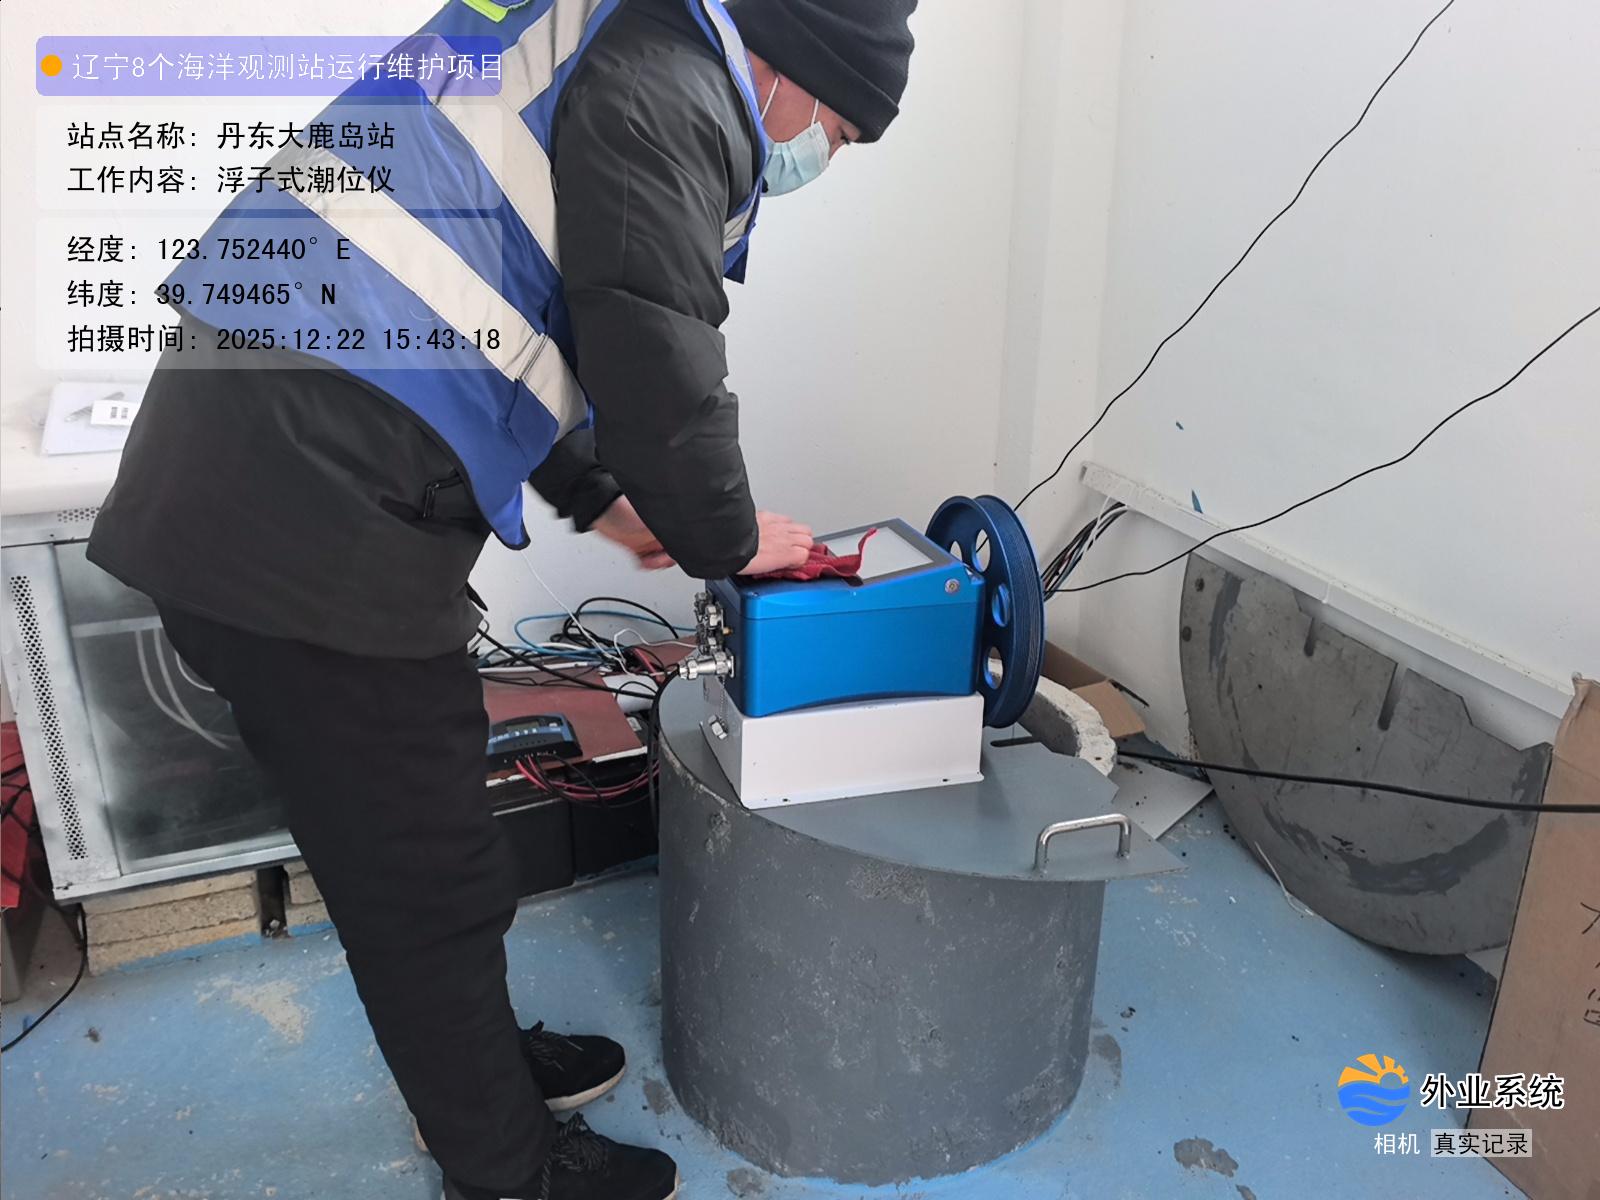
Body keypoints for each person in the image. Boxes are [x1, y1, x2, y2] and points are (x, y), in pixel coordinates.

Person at [85, 0, 917, 1197]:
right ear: (792, 68)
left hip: (271, 463)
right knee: (423, 879)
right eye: (834, 134)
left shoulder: (599, 33)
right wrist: (730, 543)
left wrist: (602, 496)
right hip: (300, 516)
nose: (813, 159)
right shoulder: (672, 81)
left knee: (435, 849)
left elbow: (481, 309)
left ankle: (478, 1077)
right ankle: (506, 1170)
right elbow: (658, 358)